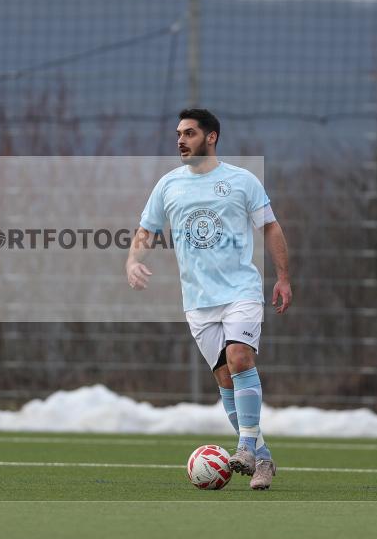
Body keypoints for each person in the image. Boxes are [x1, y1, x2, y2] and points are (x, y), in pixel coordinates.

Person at [125, 108, 292, 490]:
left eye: (189, 133)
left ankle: (246, 447)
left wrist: (283, 277)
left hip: (241, 292)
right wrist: (133, 260)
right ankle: (263, 460)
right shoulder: (168, 185)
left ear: (211, 137)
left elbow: (270, 227)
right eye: (178, 134)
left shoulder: (242, 180)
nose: (180, 140)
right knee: (224, 379)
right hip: (198, 301)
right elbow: (146, 229)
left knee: (239, 359)